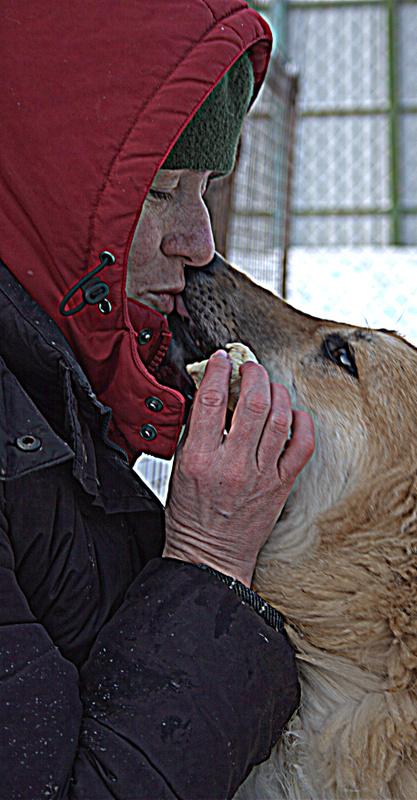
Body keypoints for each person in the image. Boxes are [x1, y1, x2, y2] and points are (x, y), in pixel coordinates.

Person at [0, 2, 315, 798]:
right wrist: (209, 559)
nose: (201, 242)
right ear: (49, 194)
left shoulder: (53, 389)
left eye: (206, 188)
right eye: (165, 190)